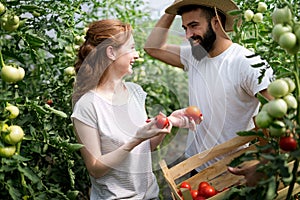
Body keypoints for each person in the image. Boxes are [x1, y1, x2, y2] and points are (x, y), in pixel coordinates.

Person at [144, 0, 274, 181]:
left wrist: (264, 163)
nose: (188, 34)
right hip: (197, 168)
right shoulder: (195, 57)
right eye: (184, 28)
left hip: (234, 171)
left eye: (194, 25)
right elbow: (152, 48)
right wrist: (173, 8)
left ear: (216, 22)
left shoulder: (248, 63)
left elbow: (279, 115)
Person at [70, 19, 175, 200]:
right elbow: (95, 168)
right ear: (111, 52)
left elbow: (146, 148)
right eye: (131, 48)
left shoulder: (135, 92)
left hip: (150, 196)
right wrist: (135, 139)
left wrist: (167, 123)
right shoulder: (87, 106)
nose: (136, 55)